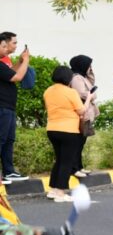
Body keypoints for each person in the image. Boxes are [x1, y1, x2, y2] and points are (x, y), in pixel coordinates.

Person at [43, 66, 93, 203]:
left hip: (52, 129)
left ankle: (53, 190)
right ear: (68, 78)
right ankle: (60, 192)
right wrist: (88, 98)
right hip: (68, 130)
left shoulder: (48, 91)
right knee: (66, 162)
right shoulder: (71, 92)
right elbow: (82, 111)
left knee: (59, 159)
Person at [0, 33, 30, 183]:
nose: (7, 49)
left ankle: (8, 171)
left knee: (9, 139)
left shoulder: (3, 63)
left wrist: (20, 61)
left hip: (8, 107)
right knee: (1, 139)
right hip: (2, 107)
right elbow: (17, 77)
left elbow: (12, 72)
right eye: (3, 46)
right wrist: (25, 61)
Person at [68, 55, 99, 179]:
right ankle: (74, 168)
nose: (90, 67)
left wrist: (90, 71)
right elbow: (81, 93)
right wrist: (93, 95)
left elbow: (91, 83)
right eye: (88, 65)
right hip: (81, 114)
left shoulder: (83, 77)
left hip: (86, 113)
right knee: (77, 142)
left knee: (81, 142)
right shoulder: (76, 78)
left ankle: (79, 166)